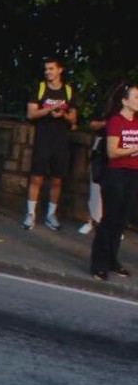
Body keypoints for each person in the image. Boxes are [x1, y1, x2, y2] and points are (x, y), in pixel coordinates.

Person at [90, 83, 138, 281]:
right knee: (109, 219)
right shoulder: (116, 121)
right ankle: (98, 264)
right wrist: (134, 148)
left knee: (121, 221)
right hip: (116, 174)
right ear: (125, 101)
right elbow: (112, 152)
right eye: (135, 97)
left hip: (133, 174)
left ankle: (112, 260)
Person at [24, 58, 78, 231]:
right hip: (43, 139)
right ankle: (30, 213)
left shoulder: (68, 91)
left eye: (51, 69)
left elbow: (74, 118)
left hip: (60, 141)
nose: (48, 72)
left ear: (59, 70)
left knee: (57, 179)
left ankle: (51, 214)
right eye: (46, 69)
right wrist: (48, 110)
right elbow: (31, 114)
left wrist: (62, 113)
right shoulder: (40, 89)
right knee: (36, 177)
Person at [81, 116, 107, 235]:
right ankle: (91, 219)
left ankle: (113, 225)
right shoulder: (109, 102)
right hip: (102, 144)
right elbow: (92, 124)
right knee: (95, 185)